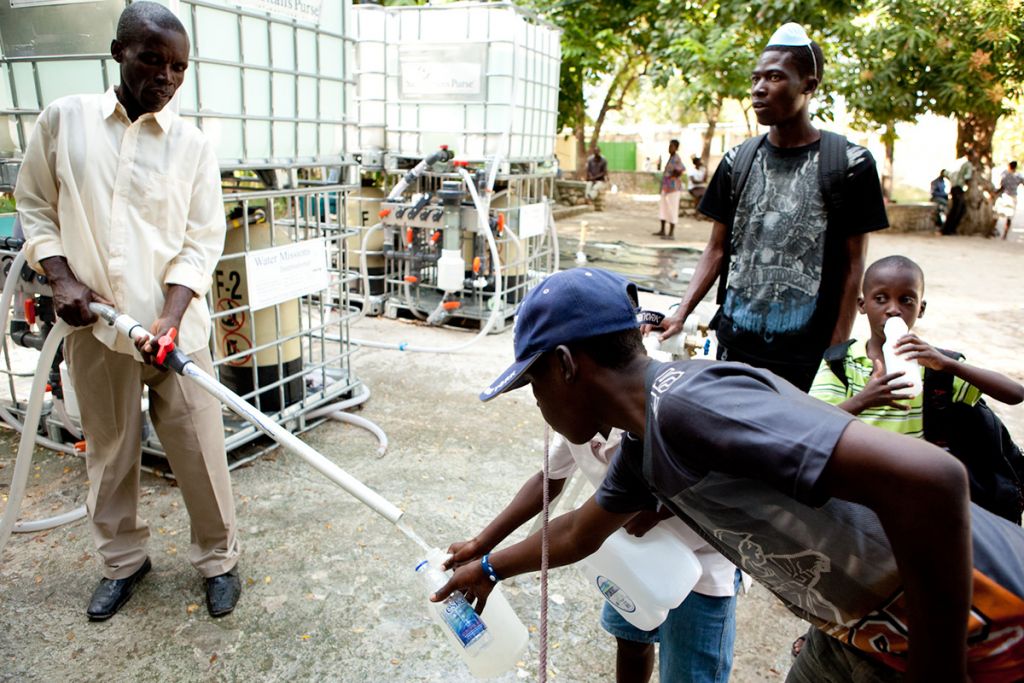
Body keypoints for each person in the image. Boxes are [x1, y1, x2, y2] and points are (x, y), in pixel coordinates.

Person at [441, 266, 1024, 683]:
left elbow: (935, 478)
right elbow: (577, 532)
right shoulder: (647, 440)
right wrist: (488, 567)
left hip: (979, 617)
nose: (535, 401)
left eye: (533, 382)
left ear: (568, 366)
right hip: (863, 628)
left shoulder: (690, 404)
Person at [15, 2, 241, 620]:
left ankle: (219, 560)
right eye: (152, 59)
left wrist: (169, 317)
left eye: (179, 66)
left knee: (199, 451)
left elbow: (201, 241)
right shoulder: (65, 122)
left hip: (176, 331)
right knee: (110, 452)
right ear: (118, 51)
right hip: (98, 327)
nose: (166, 76)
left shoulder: (193, 146)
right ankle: (123, 562)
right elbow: (34, 204)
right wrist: (59, 277)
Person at [647, 24, 888, 392]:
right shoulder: (736, 161)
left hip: (807, 358)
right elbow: (716, 249)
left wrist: (836, 349)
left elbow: (854, 264)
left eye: (775, 77)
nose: (759, 88)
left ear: (809, 85)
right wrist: (681, 313)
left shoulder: (850, 164)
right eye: (756, 78)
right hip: (734, 348)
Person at [445, 428, 741, 683]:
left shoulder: (648, 423)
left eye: (539, 387)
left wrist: (663, 509)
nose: (538, 404)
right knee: (630, 637)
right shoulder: (577, 422)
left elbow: (577, 532)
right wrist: (481, 543)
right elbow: (546, 480)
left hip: (700, 565)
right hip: (631, 552)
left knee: (688, 672)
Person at [809, 255, 1023, 433]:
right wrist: (864, 400)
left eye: (906, 300)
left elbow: (1015, 394)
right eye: (881, 299)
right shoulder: (842, 362)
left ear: (921, 309)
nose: (893, 309)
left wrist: (950, 365)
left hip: (918, 475)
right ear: (862, 305)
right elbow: (814, 423)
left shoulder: (933, 363)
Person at [653, 139, 685, 240]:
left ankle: (671, 233)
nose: (669, 148)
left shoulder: (676, 158)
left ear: (676, 148)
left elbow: (680, 170)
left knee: (672, 209)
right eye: (669, 146)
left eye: (671, 146)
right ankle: (662, 230)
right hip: (666, 188)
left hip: (673, 188)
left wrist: (672, 176)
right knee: (664, 208)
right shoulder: (670, 158)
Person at [943, 157, 973, 236]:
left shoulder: (961, 166)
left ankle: (950, 229)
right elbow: (968, 176)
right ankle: (947, 229)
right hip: (958, 189)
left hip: (956, 189)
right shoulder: (968, 165)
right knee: (956, 210)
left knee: (960, 209)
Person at [995, 161, 1023, 240]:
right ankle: (1004, 235)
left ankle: (990, 231)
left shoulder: (1005, 174)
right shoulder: (1018, 176)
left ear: (1009, 166)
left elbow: (1001, 186)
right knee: (1009, 217)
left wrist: (994, 193)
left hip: (1004, 196)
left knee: (996, 215)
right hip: (1013, 197)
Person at [585, 146, 609, 212]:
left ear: (599, 152)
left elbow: (604, 172)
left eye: (597, 152)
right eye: (595, 152)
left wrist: (595, 178)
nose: (596, 154)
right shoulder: (590, 160)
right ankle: (587, 199)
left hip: (600, 180)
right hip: (591, 179)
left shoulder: (604, 160)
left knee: (595, 188)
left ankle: (589, 198)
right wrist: (591, 177)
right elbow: (588, 170)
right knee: (588, 185)